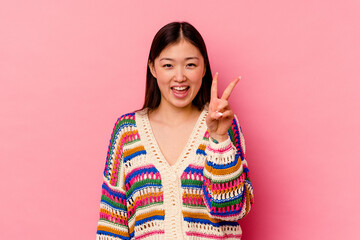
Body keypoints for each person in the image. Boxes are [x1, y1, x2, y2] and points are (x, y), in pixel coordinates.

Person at [96, 21, 254, 240]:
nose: (180, 77)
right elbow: (112, 224)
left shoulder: (224, 125)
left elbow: (232, 209)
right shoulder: (127, 132)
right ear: (152, 68)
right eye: (168, 65)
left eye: (190, 65)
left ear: (204, 68)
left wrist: (219, 139)